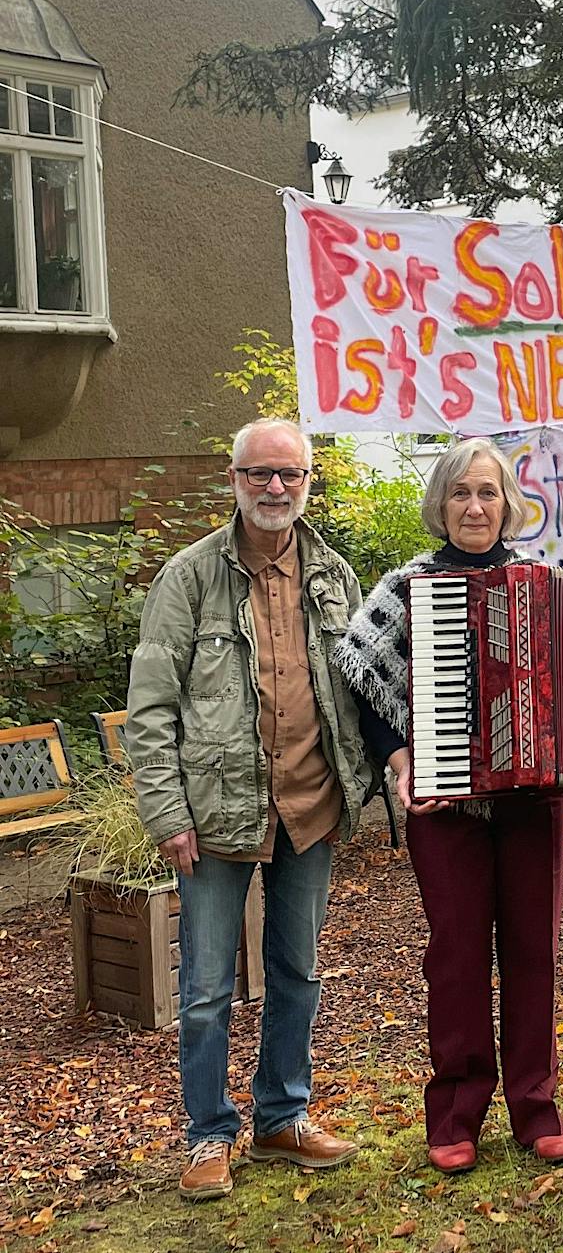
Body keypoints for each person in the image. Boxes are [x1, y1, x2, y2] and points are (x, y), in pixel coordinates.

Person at [127, 418, 374, 1202]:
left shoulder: (334, 575)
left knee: (296, 971)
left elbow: (361, 689)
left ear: (309, 482)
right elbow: (151, 706)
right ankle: (208, 1134)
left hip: (310, 804)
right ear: (232, 480)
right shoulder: (190, 577)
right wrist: (167, 812)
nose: (274, 488)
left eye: (289, 475)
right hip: (214, 813)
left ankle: (281, 1116)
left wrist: (362, 783)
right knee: (204, 989)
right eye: (258, 474)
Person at [335, 438, 563, 1174]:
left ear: (509, 504)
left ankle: (537, 1110)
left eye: (488, 493)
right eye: (461, 494)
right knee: (457, 955)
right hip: (444, 806)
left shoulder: (544, 585)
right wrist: (401, 757)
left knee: (534, 952)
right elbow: (362, 670)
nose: (475, 506)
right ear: (440, 506)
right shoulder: (406, 586)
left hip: (533, 802)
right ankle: (455, 1115)